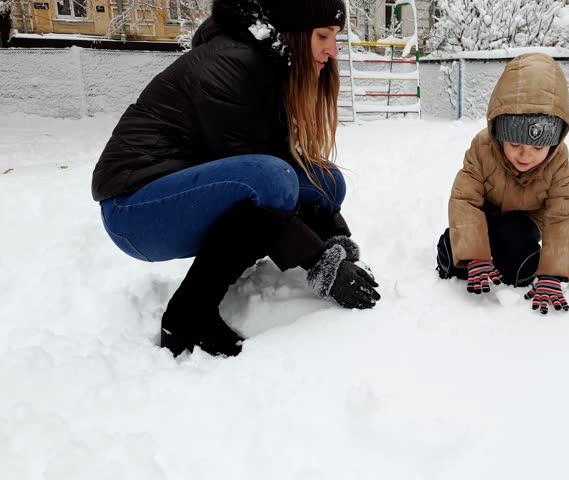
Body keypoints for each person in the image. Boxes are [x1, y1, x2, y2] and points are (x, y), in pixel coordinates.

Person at [91, 0, 380, 358]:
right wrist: (324, 265)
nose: (332, 50)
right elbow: (265, 188)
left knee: (327, 182)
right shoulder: (233, 64)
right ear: (293, 32)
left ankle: (199, 304)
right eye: (323, 35)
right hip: (134, 208)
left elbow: (279, 171)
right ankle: (188, 315)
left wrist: (337, 241)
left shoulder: (267, 64)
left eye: (336, 37)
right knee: (272, 180)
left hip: (178, 190)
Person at [435, 53, 569, 315]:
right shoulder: (483, 148)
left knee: (518, 254)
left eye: (538, 147)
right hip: (486, 219)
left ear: (554, 142)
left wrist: (552, 275)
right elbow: (465, 199)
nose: (525, 156)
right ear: (499, 133)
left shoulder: (557, 161)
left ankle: (508, 263)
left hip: (525, 224)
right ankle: (472, 260)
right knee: (456, 245)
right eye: (515, 144)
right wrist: (475, 255)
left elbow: (564, 215)